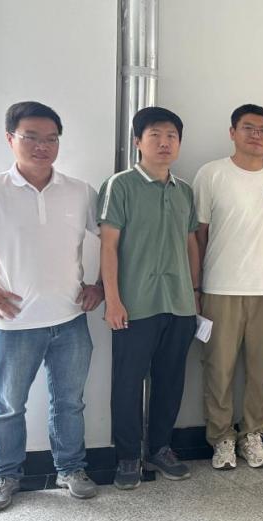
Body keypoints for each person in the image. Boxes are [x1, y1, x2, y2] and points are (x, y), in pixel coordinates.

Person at [0, 101, 103, 511]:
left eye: (51, 138)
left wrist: (101, 285)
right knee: (7, 406)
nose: (42, 146)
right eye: (31, 137)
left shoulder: (80, 191)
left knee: (69, 402)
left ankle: (71, 468)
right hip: (14, 324)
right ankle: (5, 475)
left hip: (70, 319)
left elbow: (113, 239)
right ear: (10, 138)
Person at [98, 107, 199, 489]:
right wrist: (113, 299)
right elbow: (108, 246)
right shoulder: (120, 185)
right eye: (155, 135)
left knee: (171, 382)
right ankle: (127, 456)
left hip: (179, 304)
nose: (164, 142)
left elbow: (191, 244)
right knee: (127, 383)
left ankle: (160, 448)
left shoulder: (184, 190)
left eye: (172, 136)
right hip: (134, 305)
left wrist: (195, 293)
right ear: (138, 141)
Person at [194, 104, 263, 470]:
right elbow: (200, 235)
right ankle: (221, 437)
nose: (256, 135)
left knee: (262, 368)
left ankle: (253, 434)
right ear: (232, 132)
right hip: (220, 287)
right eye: (248, 127)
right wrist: (199, 286)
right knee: (218, 368)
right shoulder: (211, 174)